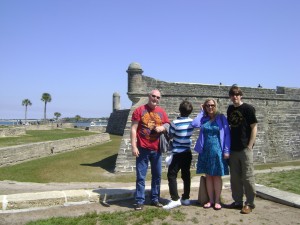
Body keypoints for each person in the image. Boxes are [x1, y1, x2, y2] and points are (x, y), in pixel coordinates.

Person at [131, 89, 170, 211]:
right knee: (141, 177)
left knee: (157, 176)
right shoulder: (139, 111)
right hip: (142, 149)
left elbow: (168, 125)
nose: (155, 99)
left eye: (158, 97)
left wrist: (162, 127)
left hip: (156, 150)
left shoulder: (162, 112)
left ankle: (155, 199)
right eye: (153, 96)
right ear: (149, 96)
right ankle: (139, 201)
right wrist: (133, 146)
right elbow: (133, 129)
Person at [192, 98, 231, 210]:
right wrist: (201, 112)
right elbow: (194, 124)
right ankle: (211, 200)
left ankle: (217, 200)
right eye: (207, 105)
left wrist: (227, 150)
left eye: (212, 105)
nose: (210, 107)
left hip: (218, 150)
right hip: (205, 151)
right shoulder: (203, 118)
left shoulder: (221, 118)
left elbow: (227, 134)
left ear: (216, 106)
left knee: (217, 176)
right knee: (208, 176)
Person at [226, 85, 258, 214]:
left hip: (245, 148)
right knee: (235, 178)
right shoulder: (229, 109)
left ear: (241, 95)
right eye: (233, 94)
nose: (235, 97)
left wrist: (250, 145)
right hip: (233, 148)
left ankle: (249, 203)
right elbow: (229, 127)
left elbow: (254, 127)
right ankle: (238, 201)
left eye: (237, 94)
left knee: (248, 177)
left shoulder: (248, 109)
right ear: (230, 96)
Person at [163, 100, 194, 210]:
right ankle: (186, 198)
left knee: (172, 175)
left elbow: (170, 136)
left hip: (177, 153)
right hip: (187, 152)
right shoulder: (192, 122)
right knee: (186, 175)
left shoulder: (175, 123)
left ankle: (175, 199)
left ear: (180, 110)